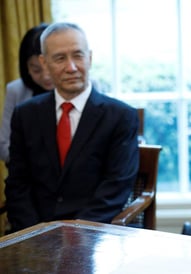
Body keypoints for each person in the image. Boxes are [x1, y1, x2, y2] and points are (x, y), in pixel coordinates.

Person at [5, 22, 139, 233]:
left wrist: (74, 233)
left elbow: (115, 189)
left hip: (93, 235)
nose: (71, 67)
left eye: (78, 56)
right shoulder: (25, 114)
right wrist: (34, 234)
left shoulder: (121, 117)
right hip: (33, 235)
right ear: (44, 63)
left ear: (90, 58)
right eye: (60, 58)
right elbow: (17, 185)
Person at [0, 23, 54, 162]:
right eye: (36, 70)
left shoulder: (83, 85)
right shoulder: (15, 90)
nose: (45, 76)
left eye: (49, 67)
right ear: (26, 68)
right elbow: (4, 145)